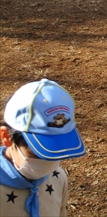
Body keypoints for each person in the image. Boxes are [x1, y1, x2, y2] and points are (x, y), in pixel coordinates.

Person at [1, 79, 86, 217]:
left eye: (56, 152)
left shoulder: (57, 178)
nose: (48, 162)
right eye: (37, 152)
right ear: (6, 137)